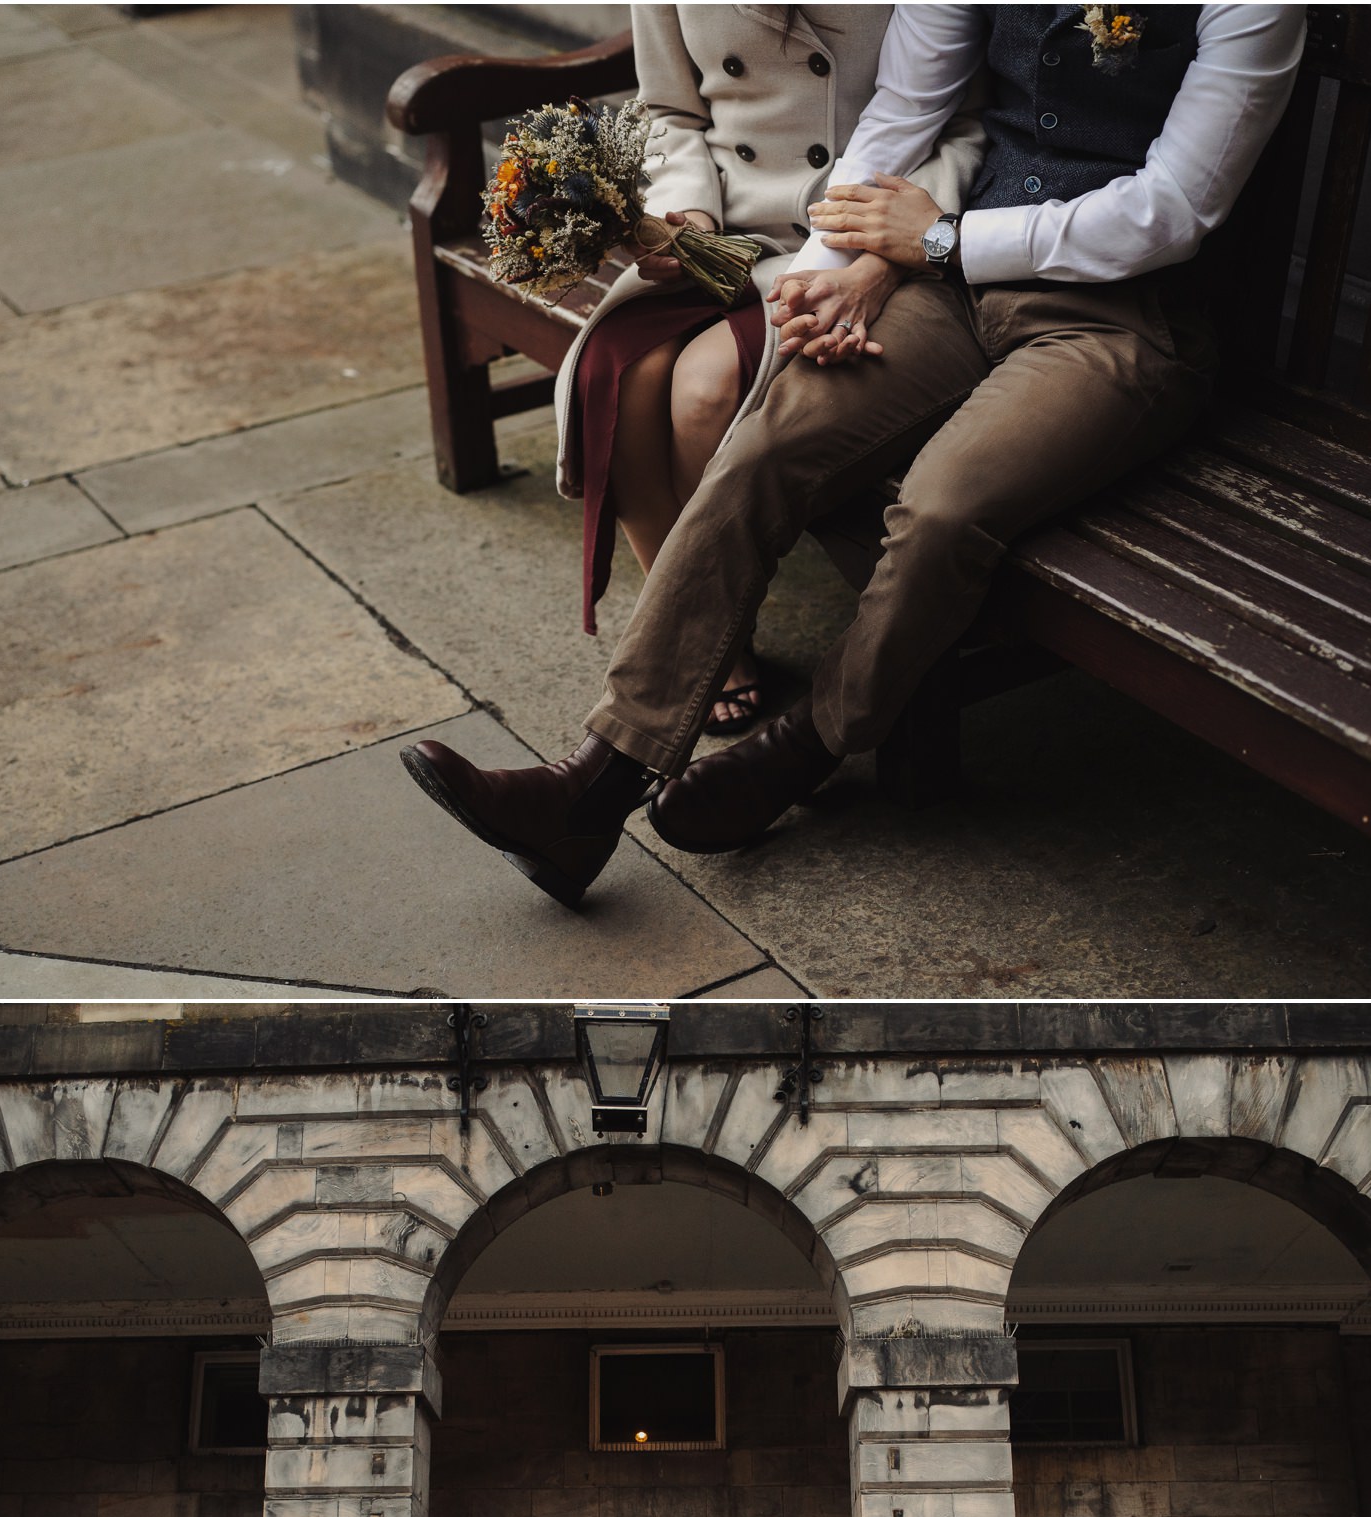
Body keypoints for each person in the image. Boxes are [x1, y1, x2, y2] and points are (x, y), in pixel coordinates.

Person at [402, 5, 1309, 913]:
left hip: (1116, 320)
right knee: (769, 440)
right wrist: (829, 269)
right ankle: (596, 780)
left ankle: (807, 745)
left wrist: (944, 242)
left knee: (943, 507)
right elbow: (906, 110)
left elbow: (1175, 209)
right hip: (954, 289)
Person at [557, 4, 985, 732]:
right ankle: (697, 634)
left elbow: (966, 123)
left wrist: (883, 256)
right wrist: (684, 216)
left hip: (855, 239)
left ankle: (700, 632)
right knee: (617, 377)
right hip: (718, 224)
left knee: (704, 390)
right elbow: (667, 109)